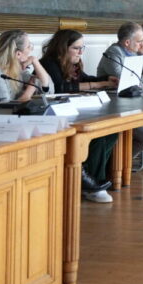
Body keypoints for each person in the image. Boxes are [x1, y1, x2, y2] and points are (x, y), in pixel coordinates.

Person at [40, 30, 117, 202]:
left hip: (75, 110)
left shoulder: (73, 63)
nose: (81, 52)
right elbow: (61, 87)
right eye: (76, 48)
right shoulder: (48, 63)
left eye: (83, 48)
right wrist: (99, 84)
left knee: (111, 132)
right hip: (57, 115)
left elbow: (84, 79)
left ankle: (92, 177)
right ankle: (92, 183)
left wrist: (107, 79)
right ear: (63, 48)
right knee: (96, 135)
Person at [96, 22, 143, 163]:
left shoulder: (134, 51)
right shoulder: (113, 53)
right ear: (127, 42)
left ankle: (120, 162)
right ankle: (115, 165)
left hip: (132, 103)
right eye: (139, 41)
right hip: (114, 107)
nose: (142, 45)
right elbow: (123, 79)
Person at [0, 30, 53, 103]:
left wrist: (35, 61)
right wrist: (30, 90)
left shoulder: (17, 68)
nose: (31, 50)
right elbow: (4, 107)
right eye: (29, 46)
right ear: (18, 54)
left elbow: (48, 89)